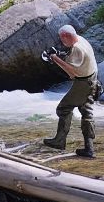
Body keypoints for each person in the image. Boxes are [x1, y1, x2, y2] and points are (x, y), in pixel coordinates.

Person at [43, 24, 100, 158]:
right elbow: (76, 59)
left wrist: (54, 58)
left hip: (83, 83)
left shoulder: (77, 49)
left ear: (65, 36)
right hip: (93, 78)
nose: (62, 41)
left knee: (63, 108)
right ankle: (89, 148)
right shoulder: (81, 40)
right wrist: (61, 54)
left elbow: (71, 73)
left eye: (62, 39)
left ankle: (59, 141)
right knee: (86, 112)